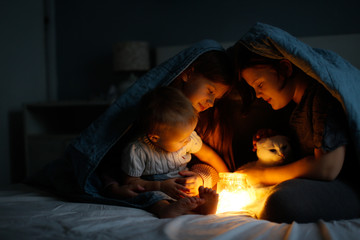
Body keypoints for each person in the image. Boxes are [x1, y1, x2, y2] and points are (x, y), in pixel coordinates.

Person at [26, 39, 234, 210]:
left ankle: (200, 206)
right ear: (188, 73)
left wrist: (210, 178)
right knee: (146, 196)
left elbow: (205, 157)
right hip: (138, 181)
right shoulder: (149, 115)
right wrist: (113, 186)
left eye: (217, 98)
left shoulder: (197, 123)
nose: (210, 103)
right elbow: (110, 154)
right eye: (210, 92)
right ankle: (166, 209)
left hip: (176, 181)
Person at [227, 22, 360, 223]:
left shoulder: (320, 95)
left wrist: (263, 174)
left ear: (285, 67)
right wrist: (275, 139)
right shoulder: (298, 105)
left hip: (350, 184)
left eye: (259, 84)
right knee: (265, 196)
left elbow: (327, 168)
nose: (258, 94)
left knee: (280, 202)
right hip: (327, 183)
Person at [116, 86, 225, 218]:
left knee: (200, 179)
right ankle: (166, 210)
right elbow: (130, 182)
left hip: (183, 185)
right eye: (181, 140)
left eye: (189, 135)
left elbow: (208, 156)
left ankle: (202, 206)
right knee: (150, 198)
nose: (188, 141)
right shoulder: (137, 150)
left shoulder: (188, 137)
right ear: (155, 137)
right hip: (155, 188)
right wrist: (160, 186)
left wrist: (226, 176)